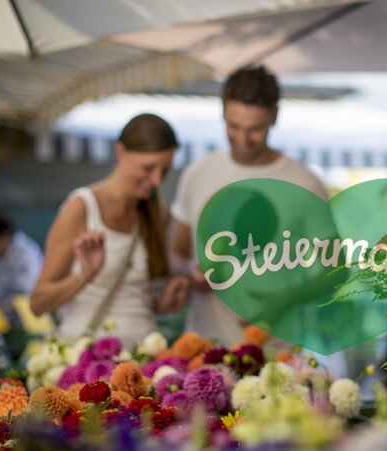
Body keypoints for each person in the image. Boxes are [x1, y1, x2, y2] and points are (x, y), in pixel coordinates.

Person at [170, 65, 329, 347]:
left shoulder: (305, 183)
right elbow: (176, 251)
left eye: (255, 129)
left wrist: (284, 300)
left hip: (278, 356)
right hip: (204, 352)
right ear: (222, 113)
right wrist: (191, 274)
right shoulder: (198, 173)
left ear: (274, 116)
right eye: (233, 127)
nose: (242, 140)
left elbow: (334, 269)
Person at [30, 114, 189, 346]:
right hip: (88, 364)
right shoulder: (82, 207)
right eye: (148, 168)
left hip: (141, 363)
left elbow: (140, 300)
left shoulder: (158, 212)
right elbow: (38, 304)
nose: (156, 181)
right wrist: (85, 276)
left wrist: (164, 304)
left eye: (164, 171)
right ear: (120, 152)